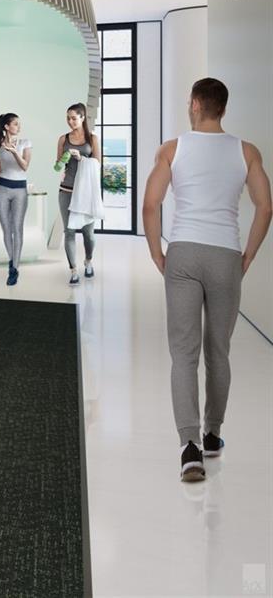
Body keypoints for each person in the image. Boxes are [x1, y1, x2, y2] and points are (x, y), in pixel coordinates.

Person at [142, 77, 271, 483]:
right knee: (219, 352)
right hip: (225, 255)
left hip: (183, 253)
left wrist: (157, 253)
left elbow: (150, 205)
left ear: (195, 104)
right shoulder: (246, 151)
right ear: (223, 108)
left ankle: (189, 448)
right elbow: (265, 207)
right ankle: (212, 435)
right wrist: (247, 256)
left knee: (184, 354)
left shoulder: (172, 149)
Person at [55, 103, 102, 283]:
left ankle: (88, 260)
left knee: (88, 233)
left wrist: (81, 158)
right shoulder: (63, 139)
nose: (70, 121)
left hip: (86, 193)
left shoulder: (92, 139)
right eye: (68, 118)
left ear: (83, 118)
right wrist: (62, 162)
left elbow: (97, 163)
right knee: (69, 232)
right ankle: (73, 270)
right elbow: (58, 164)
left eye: (74, 118)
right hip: (66, 190)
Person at [0, 113, 32, 285]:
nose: (19, 127)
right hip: (2, 189)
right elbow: (0, 171)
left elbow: (25, 167)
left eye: (19, 124)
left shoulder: (25, 143)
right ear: (6, 126)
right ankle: (12, 263)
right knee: (6, 229)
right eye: (15, 124)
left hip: (20, 190)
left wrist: (14, 152)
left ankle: (15, 269)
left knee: (17, 228)